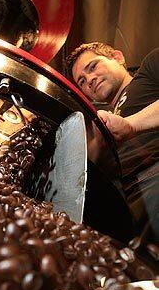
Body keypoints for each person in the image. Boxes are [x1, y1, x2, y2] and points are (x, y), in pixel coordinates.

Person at [65, 43, 159, 246]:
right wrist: (97, 148)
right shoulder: (98, 122)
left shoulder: (149, 69)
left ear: (117, 57)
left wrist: (131, 125)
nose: (89, 80)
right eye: (81, 81)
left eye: (92, 67)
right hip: (128, 206)